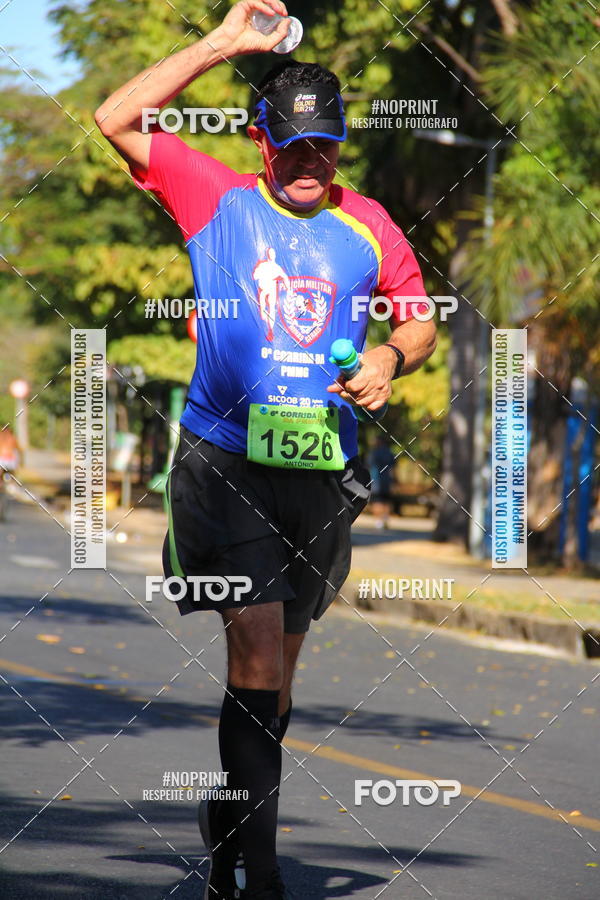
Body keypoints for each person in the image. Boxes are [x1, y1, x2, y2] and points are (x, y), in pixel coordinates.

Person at [95, 2, 437, 897]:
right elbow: (114, 119)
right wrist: (224, 43)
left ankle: (228, 824)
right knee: (251, 652)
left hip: (322, 472)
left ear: (341, 147)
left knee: (277, 679)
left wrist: (390, 357)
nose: (309, 164)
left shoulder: (369, 223)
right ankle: (262, 873)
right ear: (261, 144)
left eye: (324, 147)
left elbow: (419, 318)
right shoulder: (213, 198)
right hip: (228, 466)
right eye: (292, 148)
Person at [367, 436, 396, 528]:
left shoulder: (373, 453)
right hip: (387, 481)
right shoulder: (390, 453)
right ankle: (385, 519)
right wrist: (394, 481)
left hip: (375, 481)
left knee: (377, 501)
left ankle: (378, 522)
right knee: (386, 501)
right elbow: (393, 469)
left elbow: (368, 467)